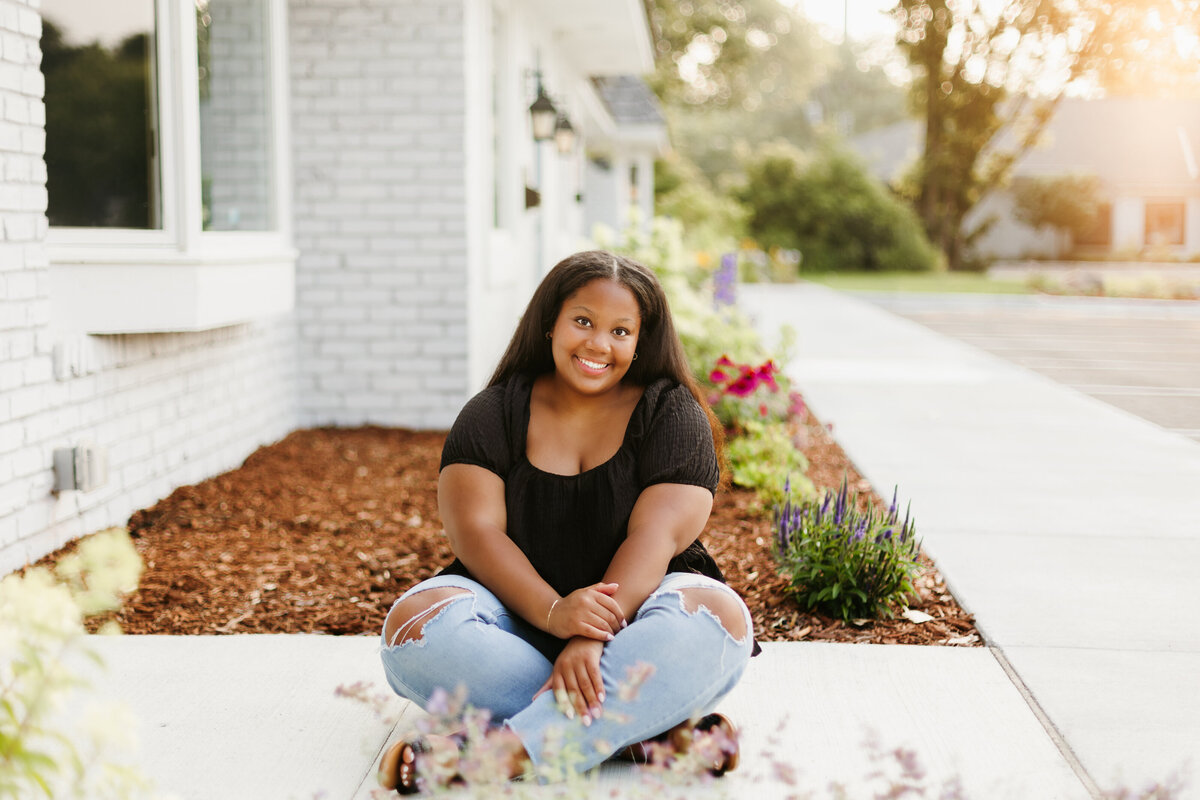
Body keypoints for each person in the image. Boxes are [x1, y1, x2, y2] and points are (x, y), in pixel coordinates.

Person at [377, 250, 755, 793]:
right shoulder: (491, 412)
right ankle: (643, 731)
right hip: (509, 625)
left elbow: (656, 534)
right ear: (549, 322)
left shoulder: (671, 412)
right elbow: (476, 533)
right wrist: (556, 614)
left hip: (637, 622)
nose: (599, 344)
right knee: (414, 627)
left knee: (715, 621)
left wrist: (591, 634)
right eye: (583, 321)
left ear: (641, 341)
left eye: (620, 330)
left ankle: (502, 755)